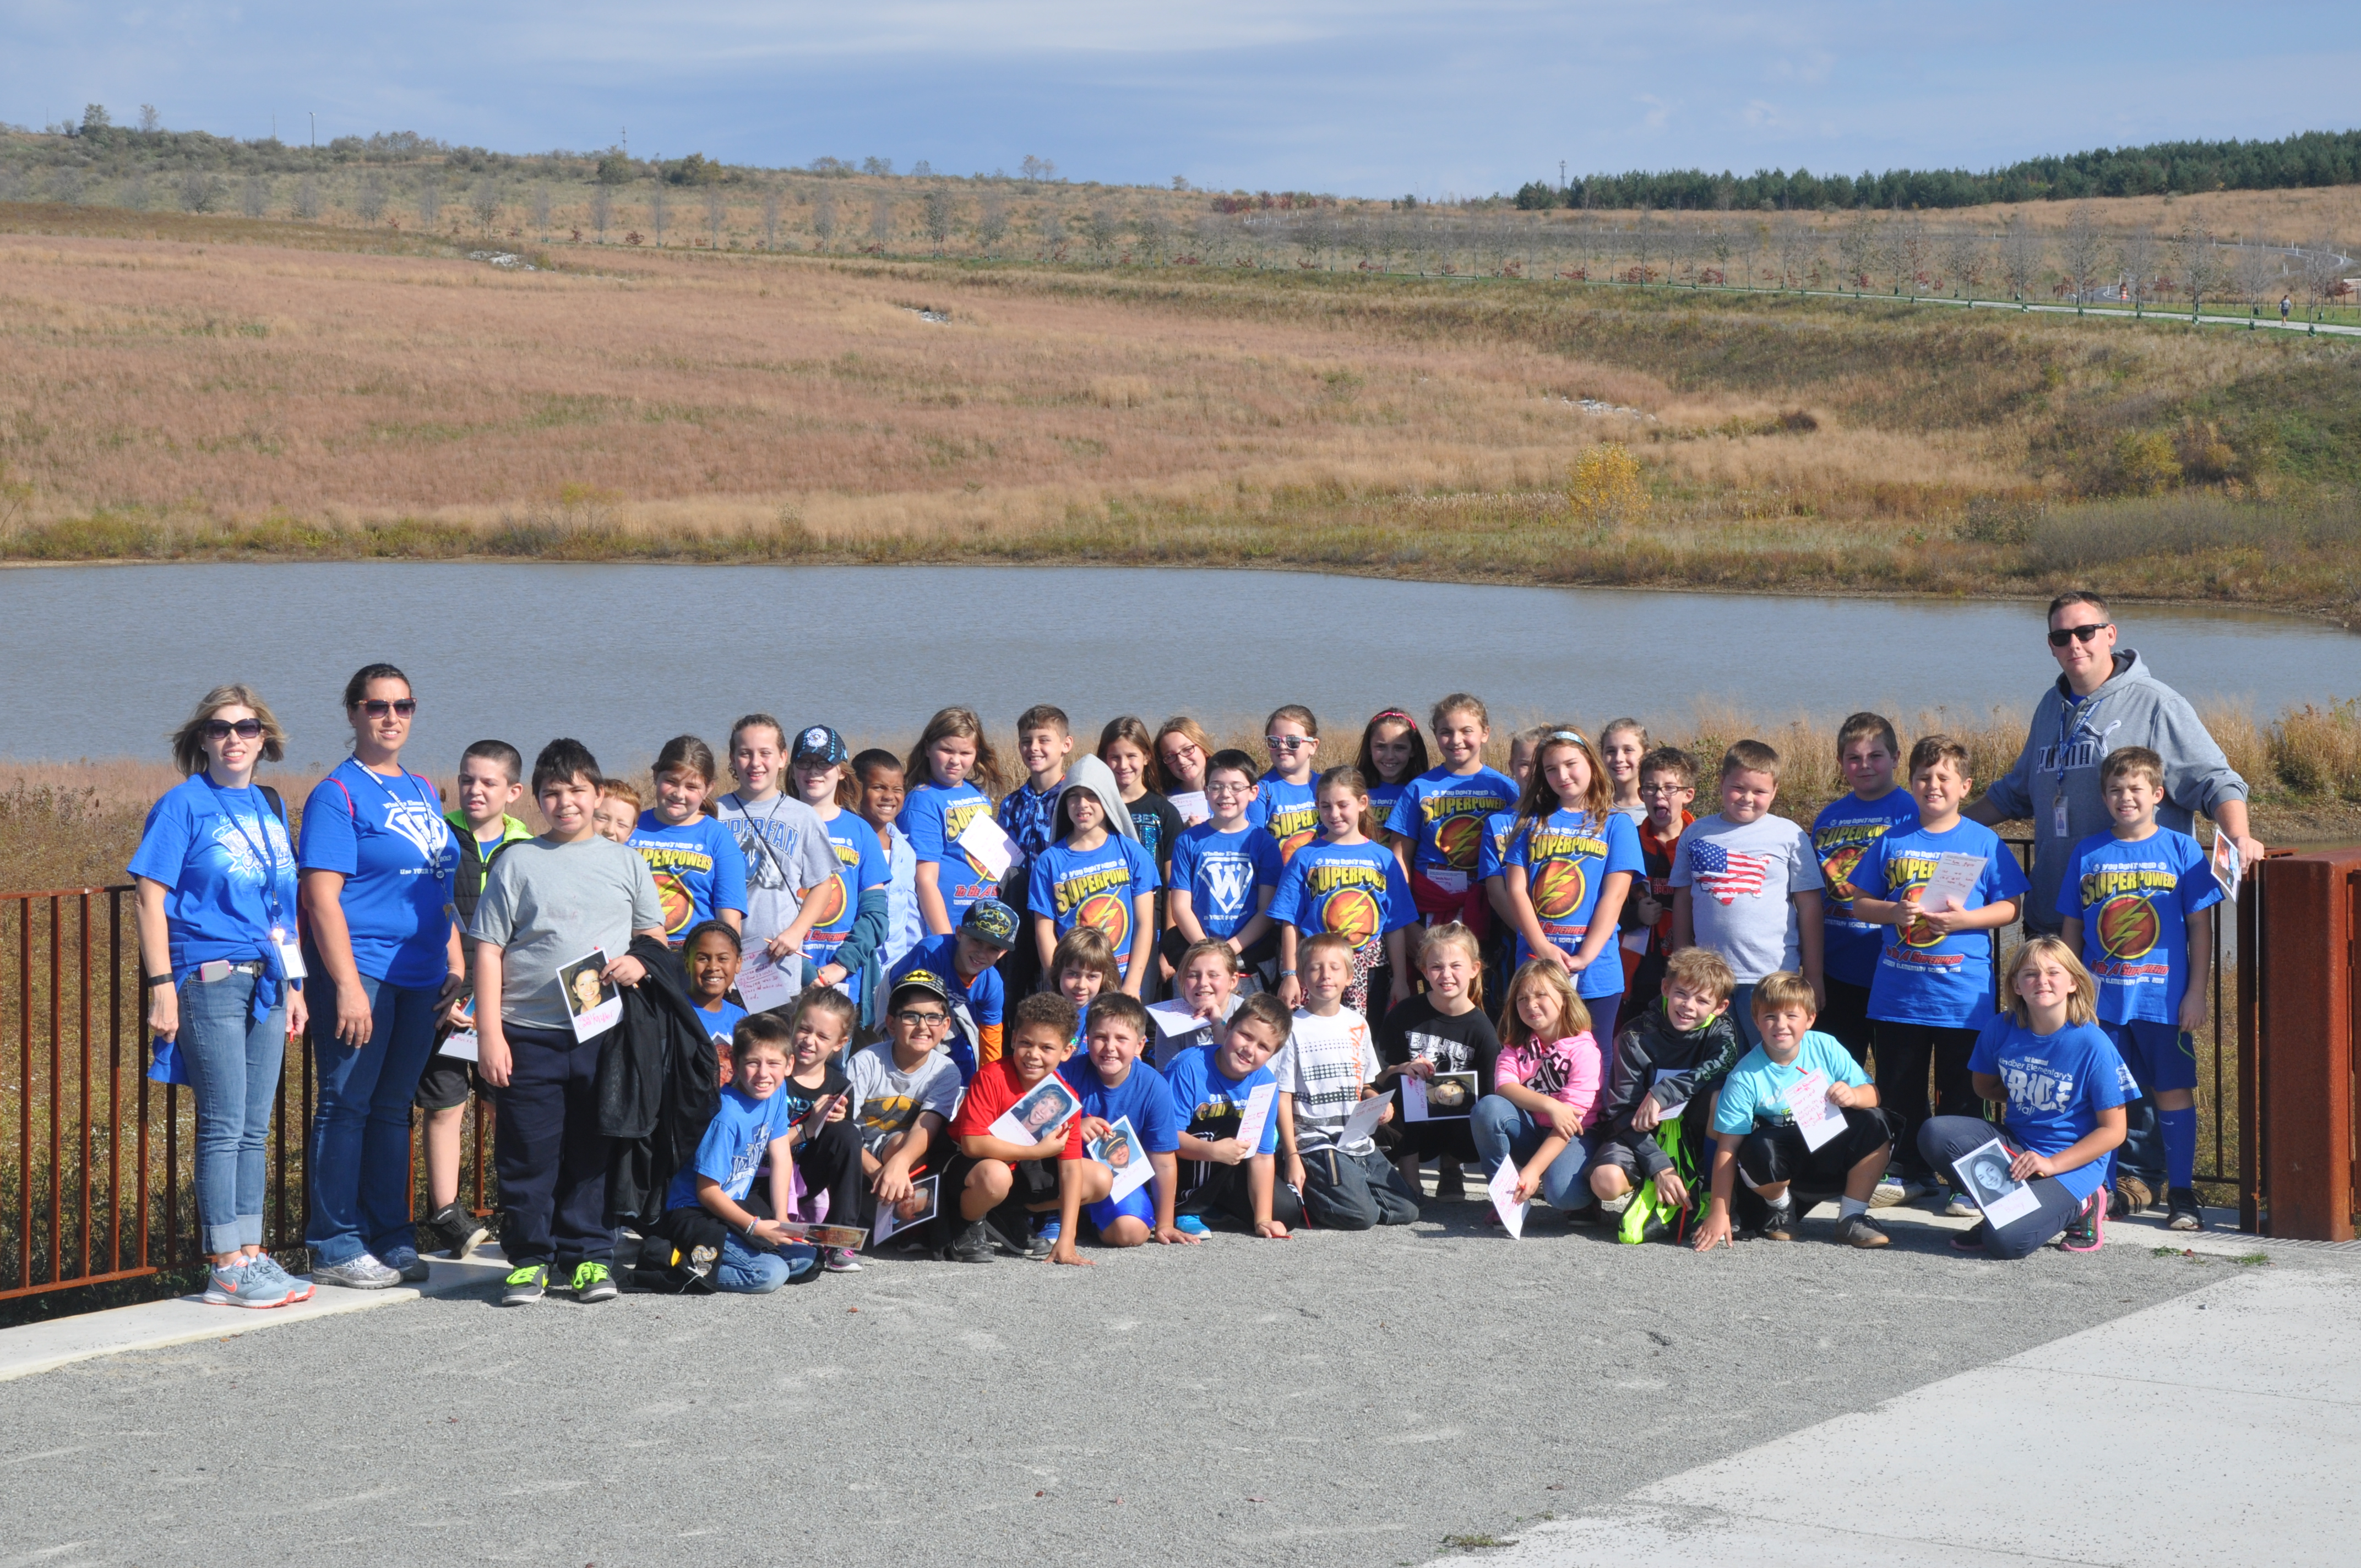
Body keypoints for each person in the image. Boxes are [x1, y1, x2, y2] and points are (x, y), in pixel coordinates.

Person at [469, 738, 668, 1306]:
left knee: (592, 1149)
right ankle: (530, 1258)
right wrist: (489, 1035)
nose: (565, 802)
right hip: (526, 1033)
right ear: (535, 800)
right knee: (526, 1151)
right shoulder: (517, 861)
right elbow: (487, 950)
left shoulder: (626, 861)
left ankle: (588, 1256)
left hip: (602, 1031)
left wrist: (637, 960)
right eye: (552, 793)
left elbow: (654, 937)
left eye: (577, 790)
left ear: (599, 794)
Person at [130, 684, 312, 1309]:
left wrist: (294, 985)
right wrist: (161, 990)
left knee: (255, 1127)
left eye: (247, 726)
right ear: (201, 738)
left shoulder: (268, 804)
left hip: (266, 980)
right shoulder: (182, 806)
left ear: (266, 737)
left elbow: (280, 907)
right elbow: (150, 899)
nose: (234, 738)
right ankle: (224, 1264)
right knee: (224, 1122)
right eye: (220, 728)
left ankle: (252, 1254)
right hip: (208, 977)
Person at [298, 662, 461, 1289]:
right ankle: (335, 1242)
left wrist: (452, 957)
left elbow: (435, 884)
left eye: (403, 706)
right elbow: (321, 896)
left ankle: (390, 1233)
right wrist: (343, 984)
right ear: (353, 713)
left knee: (394, 1108)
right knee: (346, 1104)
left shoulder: (422, 787)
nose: (391, 717)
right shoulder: (337, 794)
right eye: (377, 707)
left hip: (419, 972)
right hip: (362, 970)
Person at [1966, 590, 2261, 929]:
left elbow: (2215, 782)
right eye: (2061, 637)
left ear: (2110, 635)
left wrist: (2239, 836)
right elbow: (2014, 794)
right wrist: (1944, 825)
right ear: (2051, 646)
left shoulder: (2157, 704)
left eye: (2085, 632)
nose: (2074, 644)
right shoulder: (2050, 706)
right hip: (2054, 919)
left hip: (2131, 924)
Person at [1849, 734, 2029, 1215]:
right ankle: (1908, 1170)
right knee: (1900, 1088)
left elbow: (2011, 906)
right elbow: (1859, 901)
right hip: (1898, 996)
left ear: (1965, 786)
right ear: (1910, 784)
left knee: (1963, 1093)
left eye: (1944, 777)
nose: (1933, 785)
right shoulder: (1893, 838)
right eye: (1924, 777)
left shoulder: (1983, 840)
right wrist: (1893, 912)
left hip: (1961, 996)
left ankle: (1967, 1180)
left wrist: (1964, 921)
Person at [2056, 745, 2221, 1229]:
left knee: (2172, 1091)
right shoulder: (2088, 851)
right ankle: (2100, 1189)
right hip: (2102, 1003)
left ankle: (2183, 1193)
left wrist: (2197, 992)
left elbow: (2200, 928)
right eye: (2115, 790)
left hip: (2163, 999)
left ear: (2157, 794)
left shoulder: (2181, 848)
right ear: (2104, 798)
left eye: (2135, 789)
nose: (2125, 798)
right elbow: (2072, 929)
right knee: (2104, 1096)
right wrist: (2070, 992)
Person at [1921, 937, 2132, 1258]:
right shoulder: (2001, 1028)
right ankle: (2001, 1212)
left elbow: (2114, 1131)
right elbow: (1985, 1087)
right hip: (2018, 1148)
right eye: (2030, 974)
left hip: (2071, 1165)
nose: (2042, 981)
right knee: (1935, 1133)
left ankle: (2087, 1203)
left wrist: (2051, 1163)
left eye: (2053, 973)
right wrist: (2036, 1092)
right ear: (2017, 986)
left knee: (2006, 1243)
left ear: (2074, 983)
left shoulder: (2094, 1044)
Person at [416, 738, 532, 1260]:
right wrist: (451, 987)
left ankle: (516, 1204)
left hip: (503, 1002)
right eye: (467, 780)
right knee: (443, 1105)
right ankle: (445, 1211)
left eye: (488, 782)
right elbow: (426, 911)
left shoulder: (528, 849)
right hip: (443, 997)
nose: (475, 790)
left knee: (505, 1104)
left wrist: (492, 1000)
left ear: (514, 791)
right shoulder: (438, 838)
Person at [1692, 972, 1896, 1251]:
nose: (1781, 1025)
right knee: (1756, 1147)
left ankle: (1851, 1216)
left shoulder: (1826, 1046)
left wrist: (1854, 1095)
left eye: (1791, 1016)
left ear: (1810, 1019)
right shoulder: (1744, 1076)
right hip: (1778, 1164)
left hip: (1828, 1152)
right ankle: (1782, 1208)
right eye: (1770, 1017)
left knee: (1876, 1121)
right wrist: (1719, 1211)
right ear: (1756, 1021)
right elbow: (1727, 1149)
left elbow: (1873, 1095)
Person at [1500, 727, 1642, 1070]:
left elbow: (1616, 894)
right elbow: (1516, 890)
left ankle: (1591, 1124)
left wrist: (1585, 956)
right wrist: (1543, 949)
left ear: (1591, 764)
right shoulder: (1530, 823)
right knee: (1535, 1051)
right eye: (1551, 769)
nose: (1562, 775)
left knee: (1596, 1053)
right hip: (1537, 962)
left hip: (1596, 966)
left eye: (1571, 764)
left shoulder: (1616, 824)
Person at [1668, 739, 1825, 1047]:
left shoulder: (1789, 835)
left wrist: (1815, 977)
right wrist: (1681, 963)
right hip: (1708, 979)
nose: (1748, 798)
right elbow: (1683, 901)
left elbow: (1809, 908)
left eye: (1760, 792)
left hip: (1771, 977)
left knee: (1770, 1059)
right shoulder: (1696, 833)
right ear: (1722, 782)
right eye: (1739, 788)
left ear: (1775, 792)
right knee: (1716, 1062)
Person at [653, 1020, 820, 1293]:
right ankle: (678, 1264)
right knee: (770, 1274)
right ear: (734, 1061)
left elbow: (781, 1156)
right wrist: (755, 1228)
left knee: (806, 1259)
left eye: (774, 1064)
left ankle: (718, 1257)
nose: (763, 1074)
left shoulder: (777, 1094)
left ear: (789, 1065)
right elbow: (707, 1192)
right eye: (753, 1063)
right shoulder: (726, 1116)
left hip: (733, 1208)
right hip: (695, 1214)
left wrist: (782, 1222)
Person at [1590, 948, 1745, 1224]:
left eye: (1702, 1000)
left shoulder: (1721, 1030)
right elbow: (1622, 1111)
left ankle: (1710, 1192)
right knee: (1605, 1182)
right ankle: (1652, 1185)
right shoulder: (1635, 1034)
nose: (1688, 1006)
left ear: (1720, 1007)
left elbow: (1724, 1063)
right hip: (1642, 1133)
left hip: (1694, 1132)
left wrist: (1664, 1092)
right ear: (1665, 988)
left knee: (1721, 1097)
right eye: (1682, 993)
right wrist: (1659, 1167)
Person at [1277, 932, 1417, 1229]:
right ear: (1302, 976)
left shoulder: (1358, 1023)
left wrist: (1379, 1105)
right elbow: (1283, 1095)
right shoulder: (1292, 1028)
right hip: (1314, 1138)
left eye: (1334, 968)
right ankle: (1314, 1196)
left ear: (1350, 977)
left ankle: (1347, 1185)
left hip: (1354, 1136)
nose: (1325, 975)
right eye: (1315, 968)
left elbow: (1366, 1084)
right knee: (1362, 1217)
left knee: (1406, 1211)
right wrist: (1291, 1154)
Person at [1048, 992, 1194, 1264]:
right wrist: (1073, 1126)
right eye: (1101, 1037)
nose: (1110, 1047)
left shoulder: (1154, 1087)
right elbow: (1035, 1130)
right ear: (1087, 1039)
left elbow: (1163, 1161)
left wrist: (1165, 1224)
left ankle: (1088, 1220)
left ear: (1140, 1045)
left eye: (1121, 1039)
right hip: (1060, 1171)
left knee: (1132, 1233)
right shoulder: (1065, 1073)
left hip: (1118, 1178)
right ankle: (1049, 1215)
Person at [1809, 713, 1918, 1072]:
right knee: (1834, 1078)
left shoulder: (1914, 812)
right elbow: (1811, 892)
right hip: (1836, 970)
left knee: (1898, 1080)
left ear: (1896, 758)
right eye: (1854, 758)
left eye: (1876, 756)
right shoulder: (1828, 818)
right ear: (1841, 762)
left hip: (1895, 968)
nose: (1864, 766)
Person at [942, 991, 1084, 1260]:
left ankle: (1006, 1216)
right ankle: (968, 1223)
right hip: (970, 1169)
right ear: (1013, 1039)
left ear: (1067, 1052)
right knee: (997, 1176)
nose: (1033, 1055)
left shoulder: (1066, 1098)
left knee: (1097, 1179)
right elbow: (972, 1145)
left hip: (1019, 1173)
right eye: (1026, 1043)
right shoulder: (991, 1077)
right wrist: (1037, 1152)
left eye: (1047, 1048)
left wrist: (1067, 1239)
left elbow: (1070, 1170)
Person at [1270, 766, 1416, 1015]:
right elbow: (1289, 921)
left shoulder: (1384, 858)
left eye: (1342, 805)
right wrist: (1291, 973)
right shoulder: (1305, 856)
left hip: (1370, 973)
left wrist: (1400, 979)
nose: (1334, 814)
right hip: (1316, 971)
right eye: (1326, 806)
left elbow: (1395, 925)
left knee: (1365, 1040)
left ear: (1362, 803)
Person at [1374, 922, 1499, 1204]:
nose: (1446, 975)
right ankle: (1411, 1183)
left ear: (1475, 969)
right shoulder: (1406, 1013)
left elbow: (1493, 1098)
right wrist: (1401, 1068)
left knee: (1480, 1103)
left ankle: (1452, 1167)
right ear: (1424, 971)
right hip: (1412, 1129)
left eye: (1456, 966)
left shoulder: (1482, 1029)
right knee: (1404, 1082)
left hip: (1462, 1132)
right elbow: (1377, 1076)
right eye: (1436, 967)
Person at [714, 714, 844, 972]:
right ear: (731, 758)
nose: (756, 763)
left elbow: (822, 887)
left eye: (765, 753)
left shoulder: (803, 816)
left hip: (778, 958)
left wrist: (795, 933)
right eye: (745, 753)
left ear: (783, 758)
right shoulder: (714, 814)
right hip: (722, 961)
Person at [1471, 959, 1600, 1218]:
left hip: (1573, 1135)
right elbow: (1504, 1086)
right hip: (1531, 1128)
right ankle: (1506, 1195)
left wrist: (1532, 1170)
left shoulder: (1584, 1050)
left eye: (1541, 995)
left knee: (1563, 1194)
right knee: (1487, 1109)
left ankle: (1587, 1201)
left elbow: (1568, 1123)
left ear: (1564, 999)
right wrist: (1551, 1106)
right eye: (1522, 998)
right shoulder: (1515, 1044)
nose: (1531, 1005)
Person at [1166, 991, 1301, 1237]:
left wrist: (1263, 1219)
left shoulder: (1265, 1084)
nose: (1250, 1049)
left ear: (1272, 1055)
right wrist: (1213, 1152)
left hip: (1227, 1163)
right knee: (1218, 1128)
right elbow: (1166, 1139)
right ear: (1227, 1031)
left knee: (1287, 1213)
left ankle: (1214, 1203)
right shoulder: (1190, 1068)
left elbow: (1261, 1155)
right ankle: (1186, 1208)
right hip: (1184, 1161)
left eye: (1263, 1047)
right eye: (1246, 1036)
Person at [1026, 754, 1160, 998]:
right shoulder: (1049, 861)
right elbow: (1044, 931)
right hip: (1074, 986)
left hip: (1121, 979)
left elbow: (1144, 924)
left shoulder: (1133, 853)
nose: (1082, 804)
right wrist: (1059, 984)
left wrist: (1132, 984)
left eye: (1092, 795)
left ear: (1108, 799)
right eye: (1074, 796)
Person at [846, 970, 966, 1237]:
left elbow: (928, 1126)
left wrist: (899, 1165)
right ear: (891, 1023)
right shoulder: (865, 1062)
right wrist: (879, 1173)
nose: (923, 1026)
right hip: (859, 1154)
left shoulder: (946, 1071)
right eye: (911, 1016)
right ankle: (870, 1214)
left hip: (902, 1153)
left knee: (908, 1143)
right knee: (895, 1145)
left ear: (946, 1026)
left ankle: (908, 1227)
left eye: (933, 1017)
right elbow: (845, 1129)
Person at [1388, 693, 1518, 932]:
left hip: (1489, 904)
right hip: (1431, 904)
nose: (1456, 740)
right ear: (1435, 735)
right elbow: (1400, 859)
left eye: (1467, 731)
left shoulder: (1505, 788)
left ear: (1485, 733)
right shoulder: (1419, 788)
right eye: (1446, 732)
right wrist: (1407, 926)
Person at [786, 725, 890, 1002]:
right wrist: (808, 972)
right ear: (792, 770)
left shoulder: (861, 831)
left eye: (824, 763)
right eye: (804, 762)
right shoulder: (779, 825)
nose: (813, 771)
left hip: (845, 979)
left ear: (842, 771)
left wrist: (840, 966)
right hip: (786, 973)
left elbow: (875, 915)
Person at [764, 993, 865, 1272]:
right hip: (761, 1177)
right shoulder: (769, 1072)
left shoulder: (840, 1085)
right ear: (792, 1026)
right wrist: (809, 1128)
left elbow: (842, 1154)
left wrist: (831, 1126)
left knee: (847, 1133)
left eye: (823, 1036)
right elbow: (755, 1146)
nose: (810, 1041)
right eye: (805, 1030)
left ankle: (840, 1239)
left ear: (840, 1045)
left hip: (804, 1181)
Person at [1164, 747, 1281, 982]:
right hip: (1199, 955)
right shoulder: (1188, 840)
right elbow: (1181, 908)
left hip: (1249, 958)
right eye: (1216, 786)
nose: (1225, 794)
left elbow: (1265, 911)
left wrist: (1228, 951)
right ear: (1206, 792)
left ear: (1253, 792)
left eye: (1237, 787)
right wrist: (1207, 952)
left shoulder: (1264, 843)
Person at [629, 734, 752, 944]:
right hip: (633, 953)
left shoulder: (719, 838)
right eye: (671, 781)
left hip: (693, 955)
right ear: (655, 776)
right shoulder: (630, 828)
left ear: (709, 788)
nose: (679, 794)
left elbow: (730, 924)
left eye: (692, 787)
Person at [899, 706, 1009, 935]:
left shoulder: (979, 795)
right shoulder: (922, 801)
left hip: (988, 916)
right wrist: (945, 938)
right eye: (947, 750)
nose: (955, 761)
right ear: (928, 748)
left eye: (965, 754)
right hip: (952, 922)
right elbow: (925, 879)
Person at [888, 897, 1018, 1080]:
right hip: (899, 997)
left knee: (965, 1059)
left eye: (993, 948)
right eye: (977, 940)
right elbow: (913, 1009)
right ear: (959, 934)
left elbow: (991, 1037)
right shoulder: (931, 953)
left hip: (947, 1004)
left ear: (1002, 953)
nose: (981, 953)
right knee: (910, 1052)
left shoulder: (991, 983)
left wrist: (989, 1083)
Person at [998, 705, 1075, 1000]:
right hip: (1017, 910)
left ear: (1066, 745)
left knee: (1057, 985)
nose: (1035, 748)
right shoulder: (1011, 803)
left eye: (1044, 740)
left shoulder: (1073, 798)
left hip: (1060, 910)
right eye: (1027, 741)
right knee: (1017, 990)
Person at [851, 749, 923, 1027]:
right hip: (855, 968)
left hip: (895, 972)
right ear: (856, 789)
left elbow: (911, 915)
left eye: (897, 789)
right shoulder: (846, 843)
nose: (889, 796)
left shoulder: (905, 848)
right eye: (878, 787)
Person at [1622, 745, 1696, 1003]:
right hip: (1640, 966)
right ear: (1642, 794)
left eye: (1669, 788)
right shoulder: (1627, 842)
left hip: (1690, 966)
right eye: (1651, 788)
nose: (1659, 795)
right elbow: (1605, 905)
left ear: (1688, 794)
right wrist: (1635, 915)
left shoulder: (1702, 842)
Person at [1254, 704, 1324, 863]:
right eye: (1274, 741)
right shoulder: (1261, 791)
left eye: (1293, 741)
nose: (1283, 747)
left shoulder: (1326, 786)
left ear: (1313, 746)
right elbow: (1256, 846)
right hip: (1278, 881)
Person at [683, 919, 747, 1077]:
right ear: (687, 964)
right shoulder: (672, 1013)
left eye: (723, 958)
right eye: (703, 958)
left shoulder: (742, 1019)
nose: (713, 967)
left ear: (738, 964)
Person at [1355, 708, 1430, 842]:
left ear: (1414, 749)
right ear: (1369, 748)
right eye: (1381, 747)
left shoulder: (1423, 791)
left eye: (1399, 748)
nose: (1390, 756)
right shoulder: (1354, 789)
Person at [1152, 716, 1219, 825]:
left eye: (1187, 750)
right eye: (1170, 756)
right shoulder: (1164, 801)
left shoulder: (1230, 793)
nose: (1181, 760)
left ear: (1204, 749)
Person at [1598, 718, 1649, 823]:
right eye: (1611, 751)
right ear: (1601, 757)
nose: (1618, 758)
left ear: (1646, 756)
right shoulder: (1594, 807)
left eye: (1628, 750)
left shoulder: (1656, 808)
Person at [591, 780, 638, 845]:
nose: (610, 830)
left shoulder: (632, 855)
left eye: (621, 825)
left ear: (631, 832)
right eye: (603, 819)